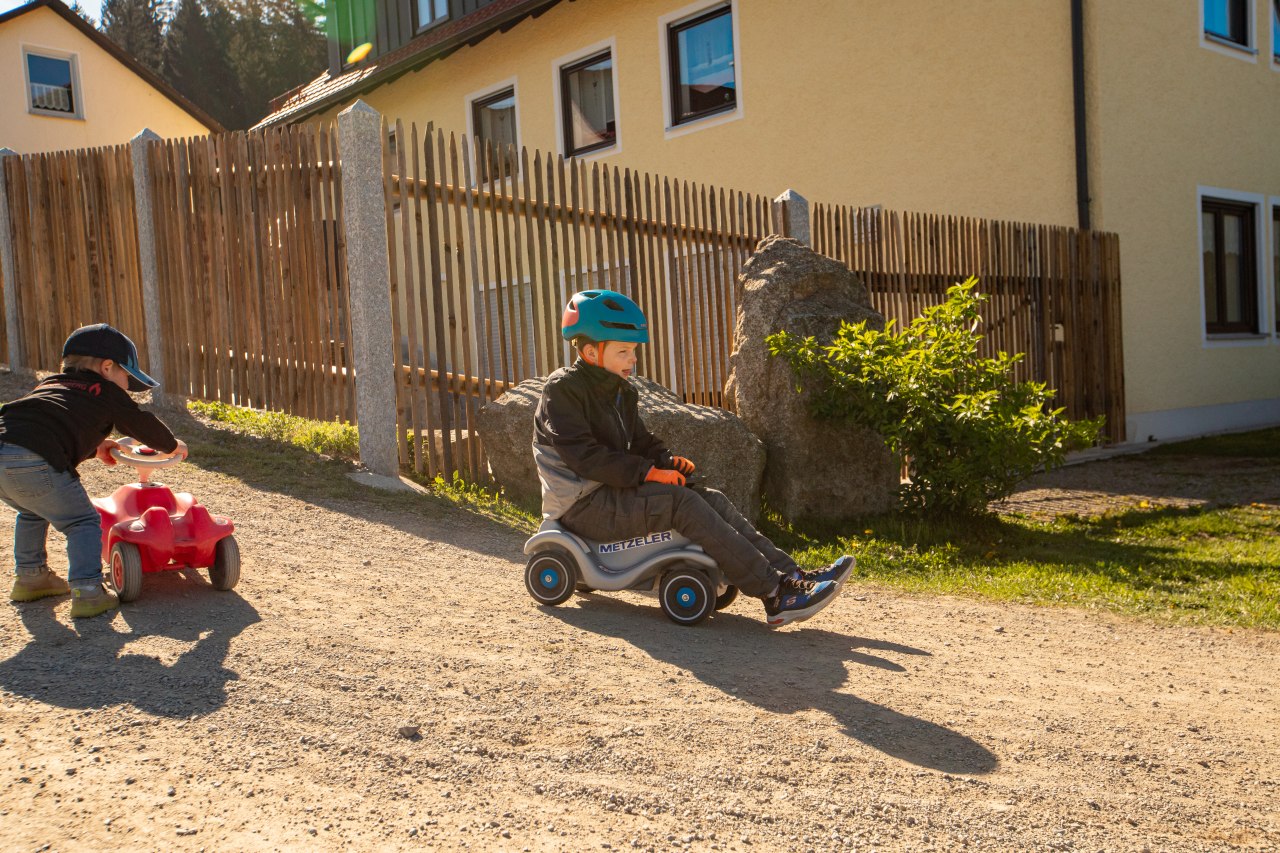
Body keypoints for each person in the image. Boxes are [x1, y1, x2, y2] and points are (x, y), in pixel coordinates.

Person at [533, 289, 854, 628]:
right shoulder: (562, 390)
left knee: (709, 498)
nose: (633, 359)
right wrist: (649, 473)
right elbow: (585, 457)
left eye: (634, 351)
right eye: (623, 351)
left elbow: (640, 442)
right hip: (582, 505)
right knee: (681, 504)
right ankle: (775, 594)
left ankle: (791, 576)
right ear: (590, 352)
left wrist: (667, 462)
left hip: (611, 494)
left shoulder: (620, 391)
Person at [0, 324, 188, 619]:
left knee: (33, 510)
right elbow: (138, 422)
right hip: (35, 456)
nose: (126, 386)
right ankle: (88, 591)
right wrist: (171, 445)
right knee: (83, 521)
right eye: (126, 377)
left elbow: (50, 425)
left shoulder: (50, 384)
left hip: (4, 448)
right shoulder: (105, 391)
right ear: (107, 367)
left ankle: (30, 577)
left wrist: (96, 448)